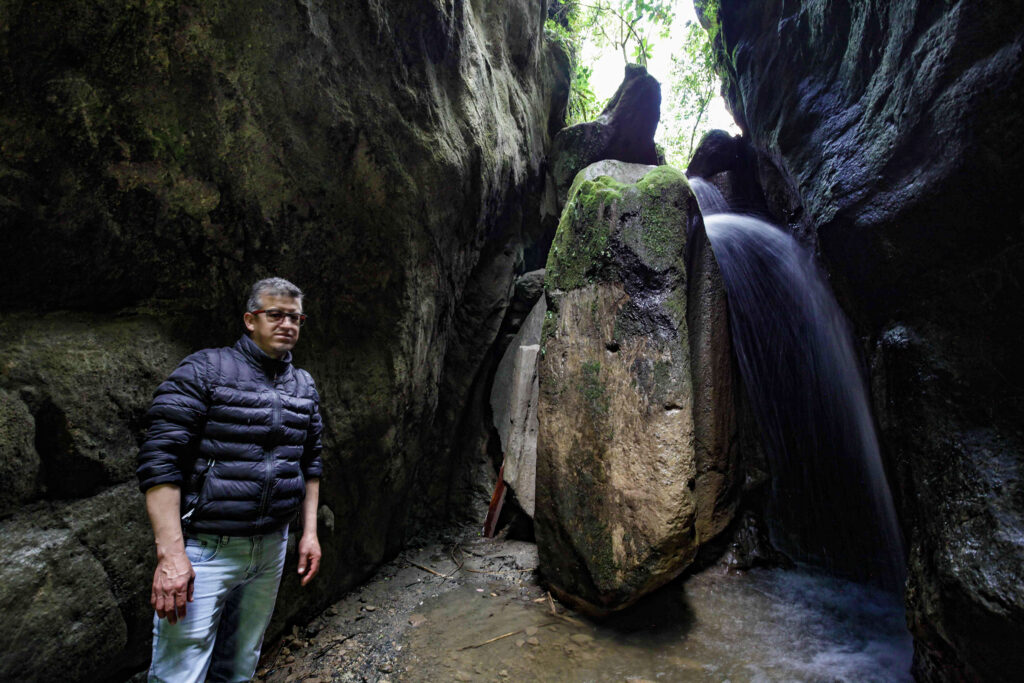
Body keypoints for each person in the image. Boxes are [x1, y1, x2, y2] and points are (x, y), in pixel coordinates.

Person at [136, 277, 324, 682]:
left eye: (295, 317)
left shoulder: (303, 385)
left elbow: (310, 461)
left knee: (238, 667)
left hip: (272, 547)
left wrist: (308, 533)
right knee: (179, 674)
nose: (287, 324)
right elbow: (160, 457)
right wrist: (171, 557)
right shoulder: (206, 368)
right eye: (275, 314)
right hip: (207, 550)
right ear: (249, 319)